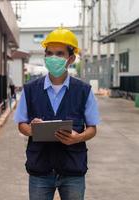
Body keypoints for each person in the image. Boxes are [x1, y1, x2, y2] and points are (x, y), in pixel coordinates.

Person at [14, 27, 100, 200]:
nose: (53, 58)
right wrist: (32, 130)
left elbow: (92, 128)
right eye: (49, 53)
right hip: (40, 171)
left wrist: (78, 138)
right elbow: (21, 124)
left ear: (71, 58)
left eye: (59, 54)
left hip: (72, 171)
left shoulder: (83, 91)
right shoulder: (30, 90)